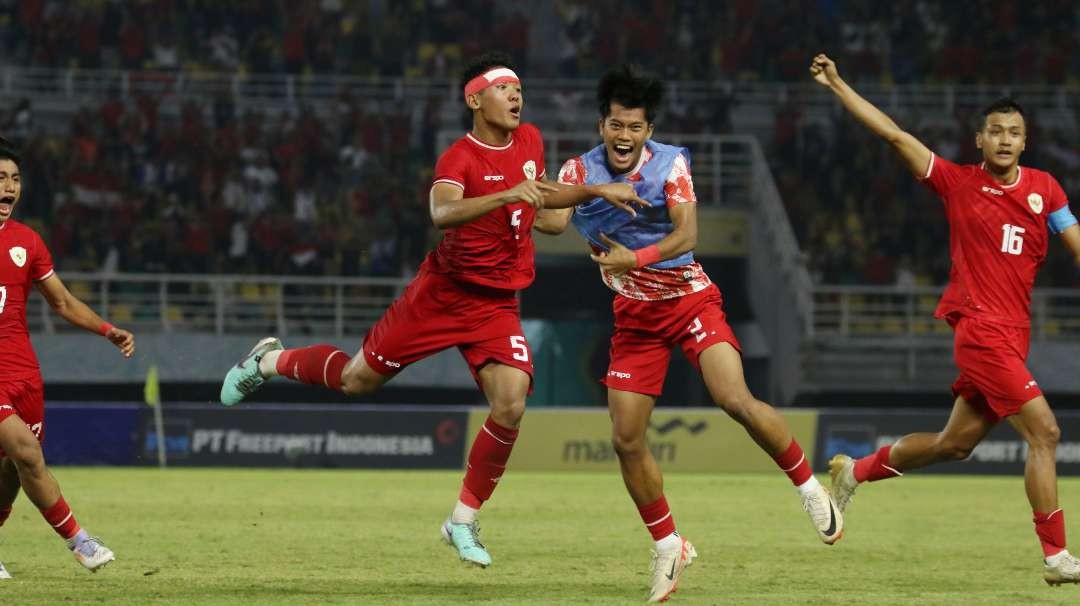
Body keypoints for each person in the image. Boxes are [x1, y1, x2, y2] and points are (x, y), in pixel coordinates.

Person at [218, 52, 644, 568]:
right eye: (505, 88)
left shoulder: (529, 139)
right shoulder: (457, 160)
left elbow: (545, 205)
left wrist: (592, 189)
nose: (516, 96)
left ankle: (461, 521)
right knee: (356, 380)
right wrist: (509, 194)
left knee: (510, 403)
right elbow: (443, 212)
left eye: (519, 89)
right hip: (441, 295)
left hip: (496, 305)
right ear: (475, 99)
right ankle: (269, 361)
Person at [544, 65, 843, 603]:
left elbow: (689, 233)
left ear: (648, 131)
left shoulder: (670, 163)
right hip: (634, 318)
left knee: (735, 399)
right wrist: (582, 192)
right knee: (624, 439)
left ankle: (810, 489)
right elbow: (550, 221)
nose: (624, 136)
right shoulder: (578, 170)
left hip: (690, 301)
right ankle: (668, 546)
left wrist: (634, 255)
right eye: (615, 125)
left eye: (635, 127)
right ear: (601, 124)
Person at [810, 53, 1080, 585]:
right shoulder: (956, 182)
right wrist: (838, 85)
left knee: (953, 445)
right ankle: (1056, 558)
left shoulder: (1046, 188)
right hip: (979, 332)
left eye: (1015, 133)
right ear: (978, 140)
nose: (1005, 139)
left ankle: (854, 472)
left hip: (1013, 336)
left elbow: (1075, 242)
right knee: (1045, 433)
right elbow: (893, 135)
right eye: (995, 131)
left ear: (1026, 142)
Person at [0, 136, 135, 578]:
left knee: (11, 472)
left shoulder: (27, 242)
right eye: (1, 178)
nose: (9, 187)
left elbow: (61, 302)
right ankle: (81, 542)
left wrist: (105, 329)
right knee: (27, 452)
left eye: (15, 179)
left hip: (24, 372)